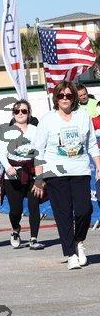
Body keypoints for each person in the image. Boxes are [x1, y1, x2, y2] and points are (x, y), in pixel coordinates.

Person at [33, 81, 100, 270]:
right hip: (55, 173)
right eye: (61, 95)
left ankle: (79, 242)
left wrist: (98, 166)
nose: (65, 99)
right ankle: (71, 254)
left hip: (80, 170)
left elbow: (92, 144)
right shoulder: (48, 119)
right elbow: (38, 150)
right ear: (56, 98)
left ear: (74, 98)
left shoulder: (83, 117)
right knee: (63, 214)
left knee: (84, 210)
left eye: (69, 95)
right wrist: (39, 178)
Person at [0, 100, 43, 250]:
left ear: (29, 113)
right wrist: (8, 167)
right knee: (15, 210)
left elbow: (40, 153)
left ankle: (34, 238)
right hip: (13, 174)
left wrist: (40, 177)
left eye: (24, 111)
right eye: (17, 111)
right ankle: (15, 229)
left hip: (31, 171)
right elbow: (2, 154)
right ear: (13, 114)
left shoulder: (35, 130)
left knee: (34, 206)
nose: (20, 113)